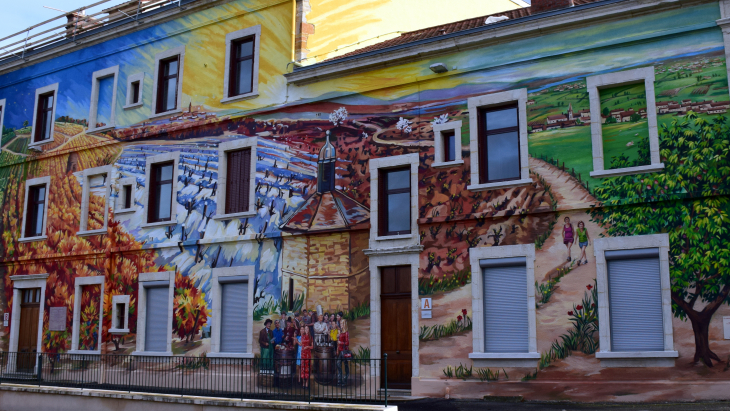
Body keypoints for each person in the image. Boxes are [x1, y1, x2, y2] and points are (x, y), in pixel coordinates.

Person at [336, 319, 350, 387]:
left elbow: (347, 343)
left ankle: (344, 380)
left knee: (345, 365)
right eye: (340, 324)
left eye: (341, 324)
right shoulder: (341, 332)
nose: (340, 325)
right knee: (339, 364)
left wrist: (340, 343)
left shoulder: (346, 333)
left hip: (344, 351)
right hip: (341, 351)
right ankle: (340, 380)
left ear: (344, 324)